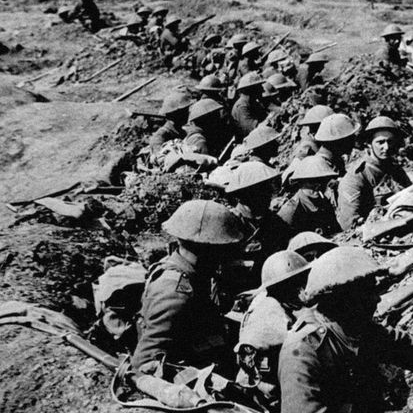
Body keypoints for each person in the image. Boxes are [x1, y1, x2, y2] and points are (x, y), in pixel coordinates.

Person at [278, 246, 413, 413]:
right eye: (368, 291)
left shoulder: (356, 328)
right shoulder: (302, 352)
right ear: (341, 299)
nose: (377, 298)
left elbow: (412, 351)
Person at [131, 200, 245, 376]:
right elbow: (145, 364)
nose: (229, 253)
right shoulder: (175, 292)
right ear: (208, 249)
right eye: (225, 247)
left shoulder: (196, 273)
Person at [235, 251, 311, 411]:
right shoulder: (270, 311)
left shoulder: (271, 300)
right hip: (264, 395)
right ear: (282, 287)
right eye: (296, 283)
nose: (302, 287)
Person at [337, 116, 412, 230]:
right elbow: (349, 223)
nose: (386, 147)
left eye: (390, 142)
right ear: (368, 143)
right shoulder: (357, 176)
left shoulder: (395, 169)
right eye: (380, 142)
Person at [225, 161, 293, 286]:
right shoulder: (230, 223)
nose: (269, 195)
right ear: (243, 195)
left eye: (268, 189)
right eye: (261, 190)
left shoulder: (273, 221)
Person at [278, 155, 341, 236]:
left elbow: (335, 228)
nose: (318, 185)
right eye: (312, 181)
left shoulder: (322, 201)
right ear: (301, 182)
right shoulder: (291, 212)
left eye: (322, 181)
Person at [232, 72, 269, 141]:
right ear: (251, 89)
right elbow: (253, 129)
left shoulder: (252, 102)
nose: (262, 90)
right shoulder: (241, 106)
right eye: (259, 87)